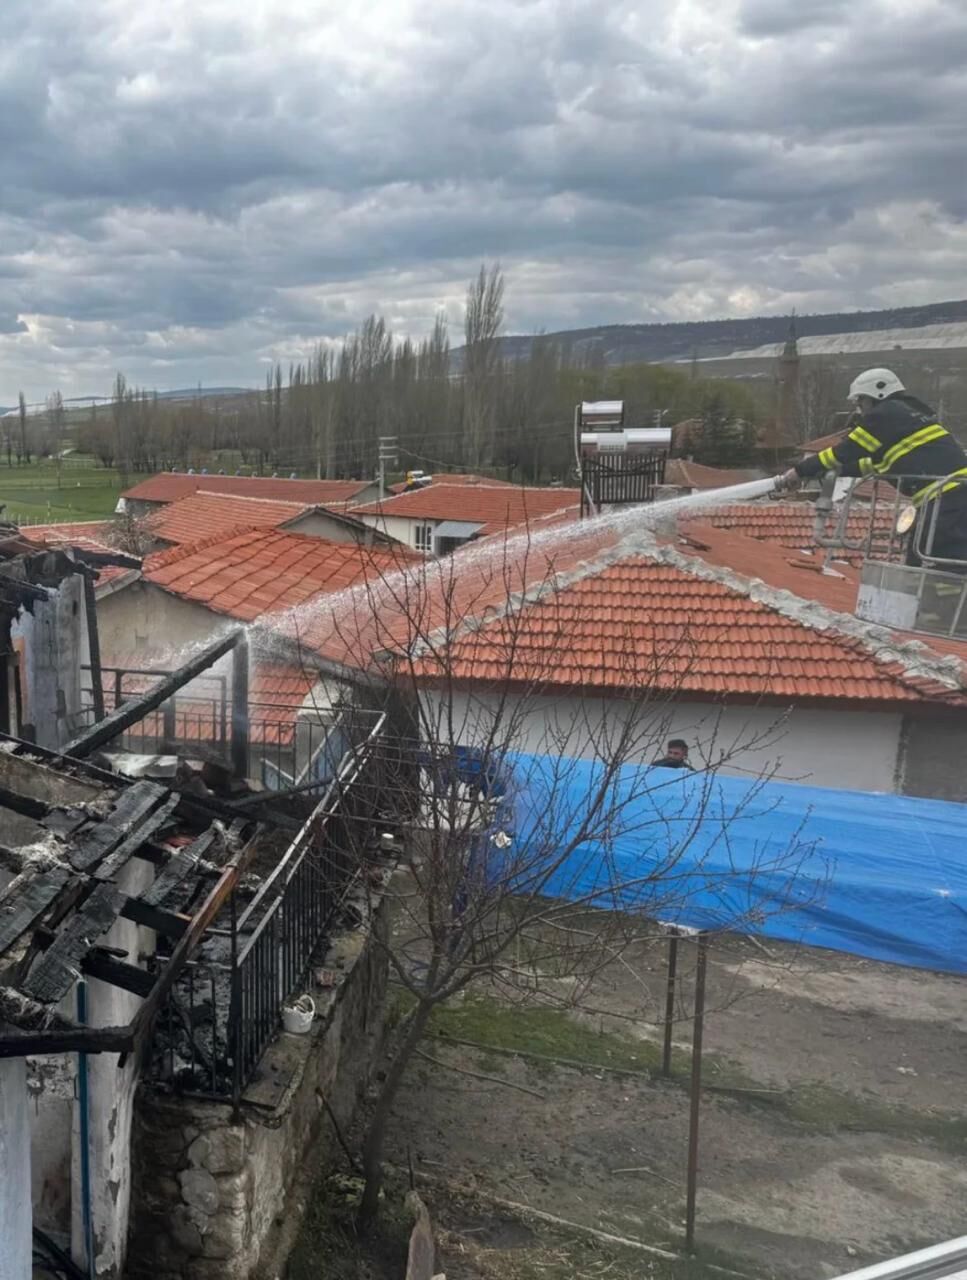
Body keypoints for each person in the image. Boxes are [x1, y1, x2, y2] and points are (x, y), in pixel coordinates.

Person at [777, 368, 967, 566]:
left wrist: (799, 471)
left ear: (878, 393)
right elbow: (874, 464)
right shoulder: (908, 416)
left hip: (948, 498)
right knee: (930, 557)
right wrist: (835, 471)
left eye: (861, 400)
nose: (859, 407)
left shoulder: (885, 414)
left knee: (934, 560)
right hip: (951, 496)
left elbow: (843, 452)